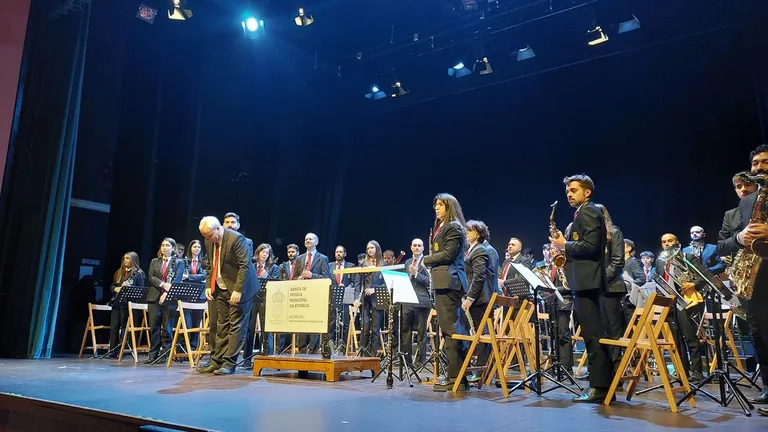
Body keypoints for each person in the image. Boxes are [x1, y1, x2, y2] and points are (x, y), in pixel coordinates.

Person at [550, 174, 614, 403]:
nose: (569, 193)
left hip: (588, 282)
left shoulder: (589, 211)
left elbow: (589, 246)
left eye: (574, 190)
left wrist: (563, 244)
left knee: (593, 336)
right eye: (567, 190)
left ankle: (599, 387)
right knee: (592, 335)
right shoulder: (583, 212)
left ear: (587, 192)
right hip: (584, 281)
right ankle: (604, 386)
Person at [197, 216, 257, 375]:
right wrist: (209, 285)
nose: (208, 239)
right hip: (220, 287)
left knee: (236, 325)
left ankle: (229, 363)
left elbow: (245, 266)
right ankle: (216, 361)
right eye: (205, 236)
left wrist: (238, 290)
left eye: (209, 235)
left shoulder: (237, 239)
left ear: (218, 228)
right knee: (221, 325)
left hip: (241, 288)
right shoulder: (209, 239)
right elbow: (210, 264)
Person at [423, 193, 469, 392]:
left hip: (450, 282)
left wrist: (426, 260)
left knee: (451, 330)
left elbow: (448, 254)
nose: (436, 208)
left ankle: (455, 378)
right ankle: (457, 377)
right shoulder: (441, 227)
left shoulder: (454, 227)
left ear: (449, 206)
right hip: (443, 282)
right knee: (449, 330)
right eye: (435, 205)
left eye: (440, 205)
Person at [462, 220, 495, 384]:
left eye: (470, 230)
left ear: (479, 234)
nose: (467, 232)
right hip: (477, 299)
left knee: (482, 335)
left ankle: (482, 372)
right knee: (479, 334)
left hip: (480, 300)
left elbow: (479, 276)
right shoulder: (471, 250)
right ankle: (481, 371)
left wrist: (470, 298)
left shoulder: (480, 249)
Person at [107, 252, 145, 358]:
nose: (125, 260)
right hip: (117, 303)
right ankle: (112, 350)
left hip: (128, 304)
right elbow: (113, 285)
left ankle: (121, 349)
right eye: (124, 258)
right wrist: (116, 289)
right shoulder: (119, 272)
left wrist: (129, 288)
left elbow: (141, 291)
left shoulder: (139, 274)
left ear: (133, 260)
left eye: (128, 258)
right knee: (114, 327)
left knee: (124, 327)